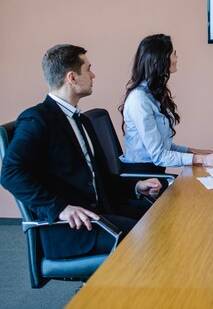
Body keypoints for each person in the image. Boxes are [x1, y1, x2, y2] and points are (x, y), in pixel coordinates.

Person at [1, 44, 162, 259]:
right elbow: (10, 173)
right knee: (150, 237)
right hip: (71, 227)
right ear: (72, 77)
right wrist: (60, 208)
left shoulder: (82, 120)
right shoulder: (36, 120)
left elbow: (100, 179)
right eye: (88, 69)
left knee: (162, 219)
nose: (93, 75)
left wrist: (136, 185)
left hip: (100, 212)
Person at [119, 34, 213, 169]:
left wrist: (195, 152)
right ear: (160, 60)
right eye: (174, 54)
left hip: (153, 171)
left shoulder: (152, 94)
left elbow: (163, 145)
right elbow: (159, 156)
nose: (176, 59)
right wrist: (202, 159)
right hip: (144, 176)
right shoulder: (139, 100)